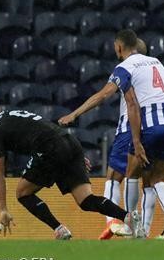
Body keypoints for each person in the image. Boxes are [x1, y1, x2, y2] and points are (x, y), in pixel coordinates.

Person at [0, 96, 133, 240]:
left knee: (22, 193)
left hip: (49, 149)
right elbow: (44, 127)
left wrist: (3, 209)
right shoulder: (11, 114)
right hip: (69, 141)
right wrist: (71, 154)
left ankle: (59, 229)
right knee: (85, 200)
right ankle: (128, 218)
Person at [58, 34, 149, 239]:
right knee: (149, 181)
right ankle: (143, 224)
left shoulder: (127, 69)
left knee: (114, 176)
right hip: (154, 126)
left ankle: (115, 222)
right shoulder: (152, 70)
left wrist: (74, 114)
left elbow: (102, 95)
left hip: (130, 128)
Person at [109, 29, 164, 239]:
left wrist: (136, 140)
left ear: (121, 47)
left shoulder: (126, 67)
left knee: (132, 175)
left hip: (149, 125)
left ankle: (130, 224)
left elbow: (132, 105)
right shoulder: (157, 63)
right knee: (157, 179)